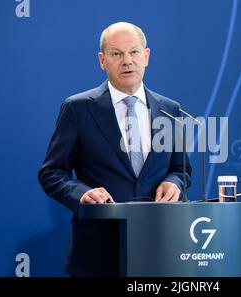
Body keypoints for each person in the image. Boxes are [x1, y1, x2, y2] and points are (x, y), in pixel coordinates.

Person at [38, 22, 192, 276]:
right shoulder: (77, 109)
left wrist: (174, 183)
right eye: (116, 54)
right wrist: (82, 194)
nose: (127, 61)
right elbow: (51, 173)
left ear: (147, 56)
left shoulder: (170, 110)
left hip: (160, 250)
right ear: (102, 60)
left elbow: (181, 169)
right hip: (97, 253)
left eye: (133, 52)